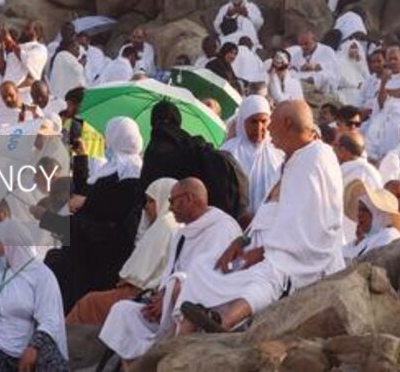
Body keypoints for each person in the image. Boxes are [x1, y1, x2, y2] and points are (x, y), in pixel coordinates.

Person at [178, 101, 344, 333]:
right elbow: (270, 208)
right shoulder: (292, 158)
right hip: (267, 243)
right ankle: (181, 336)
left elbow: (312, 227)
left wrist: (265, 251)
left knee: (271, 272)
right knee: (203, 266)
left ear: (287, 124)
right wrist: (242, 240)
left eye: (270, 122)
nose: (267, 130)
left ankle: (224, 320)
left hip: (299, 256)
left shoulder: (317, 158)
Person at [98, 178, 242, 363]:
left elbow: (214, 278)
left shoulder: (223, 228)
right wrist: (161, 297)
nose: (170, 207)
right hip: (170, 306)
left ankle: (175, 353)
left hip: (205, 309)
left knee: (179, 285)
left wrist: (171, 296)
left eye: (172, 201)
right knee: (122, 311)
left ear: (188, 199)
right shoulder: (182, 233)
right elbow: (170, 272)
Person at [44, 117, 145, 311]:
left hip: (105, 250)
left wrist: (86, 203)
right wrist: (81, 156)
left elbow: (115, 206)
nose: (106, 142)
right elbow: (88, 192)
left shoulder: (132, 172)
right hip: (89, 245)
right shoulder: (114, 167)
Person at [65, 178, 178, 326]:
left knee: (89, 303)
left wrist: (127, 280)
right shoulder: (170, 224)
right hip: (148, 290)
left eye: (151, 201)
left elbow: (139, 275)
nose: (146, 207)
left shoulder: (165, 224)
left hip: (143, 292)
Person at [0, 220, 68, 372]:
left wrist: (33, 347)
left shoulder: (41, 275)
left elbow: (50, 319)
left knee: (49, 357)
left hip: (27, 342)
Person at [219, 95, 284, 219]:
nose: (259, 127)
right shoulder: (229, 151)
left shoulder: (278, 151)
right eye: (253, 122)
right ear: (243, 121)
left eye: (263, 121)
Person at [342, 181, 400, 259]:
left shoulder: (389, 237)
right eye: (359, 209)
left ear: (380, 215)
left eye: (364, 210)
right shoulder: (364, 240)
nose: (358, 214)